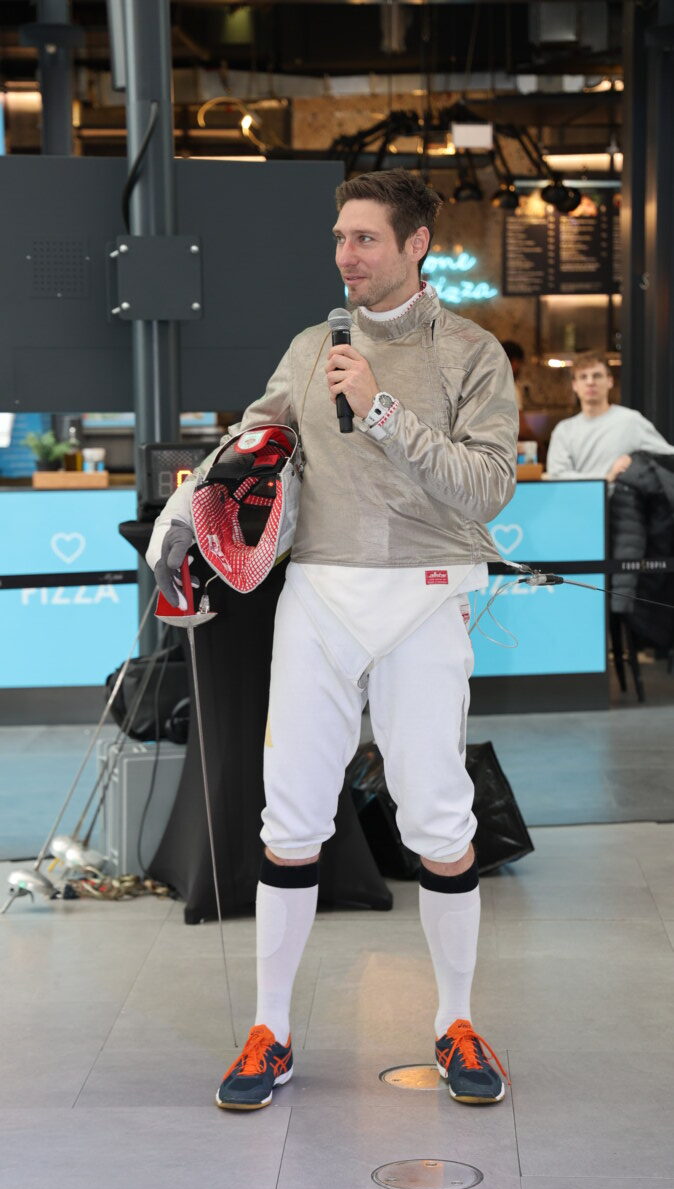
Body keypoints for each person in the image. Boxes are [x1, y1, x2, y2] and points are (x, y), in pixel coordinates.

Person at [149, 168, 518, 1111]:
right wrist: (192, 504)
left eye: (365, 238)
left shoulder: (471, 353)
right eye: (340, 238)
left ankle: (456, 1022)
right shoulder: (314, 346)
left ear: (416, 244)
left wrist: (384, 411)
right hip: (319, 594)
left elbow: (487, 488)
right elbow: (258, 437)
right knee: (290, 817)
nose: (346, 255)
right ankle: (269, 1031)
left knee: (438, 817)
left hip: (426, 596)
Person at [546, 351, 674, 481]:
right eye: (583, 377)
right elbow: (557, 476)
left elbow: (668, 456)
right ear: (575, 385)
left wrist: (636, 464)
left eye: (597, 376)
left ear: (610, 381)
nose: (590, 382)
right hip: (579, 495)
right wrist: (607, 478)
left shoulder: (630, 421)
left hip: (620, 494)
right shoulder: (564, 431)